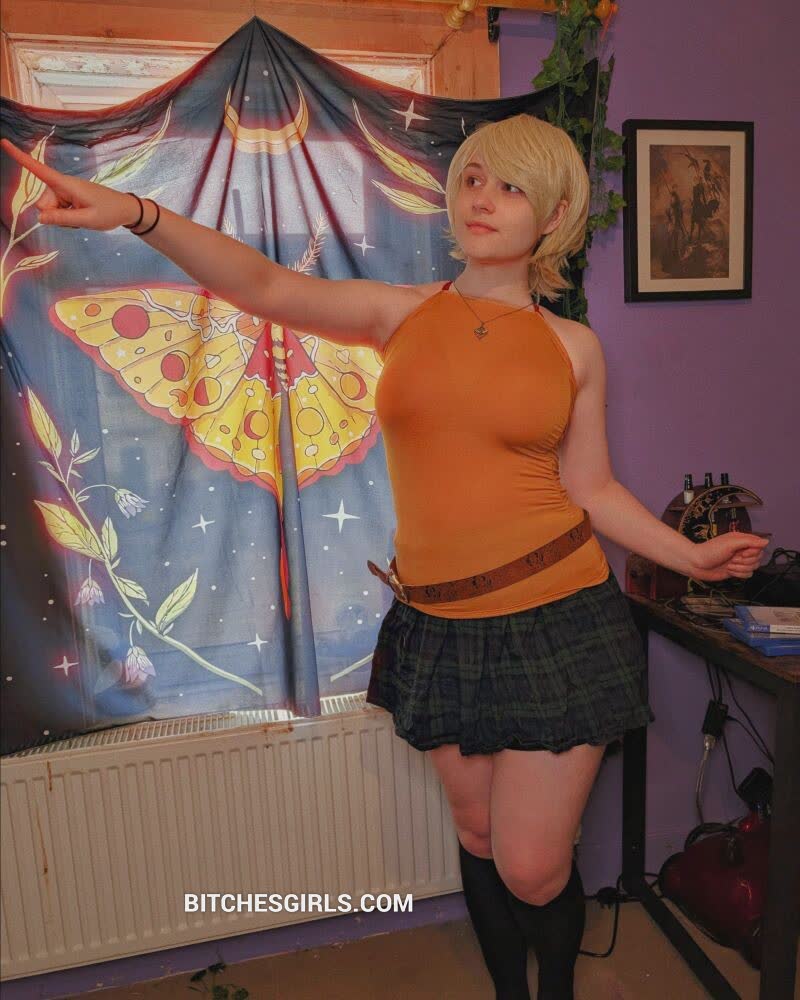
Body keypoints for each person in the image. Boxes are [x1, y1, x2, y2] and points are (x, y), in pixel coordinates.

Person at [0, 119, 768, 1000]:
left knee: (532, 866)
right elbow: (263, 285)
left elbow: (591, 487)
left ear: (555, 215)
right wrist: (138, 212)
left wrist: (691, 556)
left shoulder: (572, 347)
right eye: (473, 178)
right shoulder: (400, 314)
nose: (483, 198)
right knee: (478, 836)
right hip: (440, 624)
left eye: (511, 187)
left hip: (559, 618)